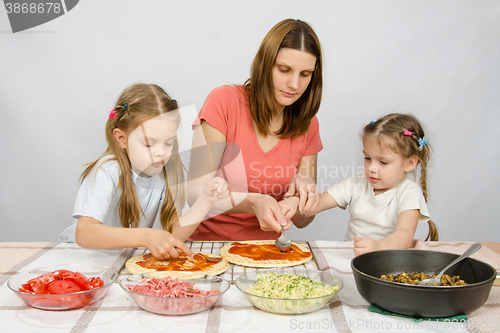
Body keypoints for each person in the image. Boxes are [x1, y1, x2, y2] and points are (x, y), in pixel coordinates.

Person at [187, 19, 324, 241]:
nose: (294, 85)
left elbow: (303, 220)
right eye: (284, 70)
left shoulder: (308, 124)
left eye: (305, 74)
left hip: (267, 252)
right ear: (265, 64)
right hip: (208, 247)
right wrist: (252, 202)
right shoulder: (224, 102)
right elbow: (194, 193)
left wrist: (301, 198)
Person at [59, 83, 229, 258]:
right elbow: (85, 233)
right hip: (78, 257)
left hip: (118, 261)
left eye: (168, 142)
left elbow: (174, 236)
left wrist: (206, 200)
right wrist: (146, 236)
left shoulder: (162, 174)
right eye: (149, 144)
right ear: (121, 139)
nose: (162, 152)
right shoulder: (108, 170)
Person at [280, 113, 438, 255]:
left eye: (383, 162)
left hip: (387, 263)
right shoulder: (356, 183)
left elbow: (405, 233)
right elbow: (319, 202)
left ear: (409, 163)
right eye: (368, 158)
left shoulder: (409, 192)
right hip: (352, 261)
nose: (372, 168)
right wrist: (294, 203)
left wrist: (378, 246)